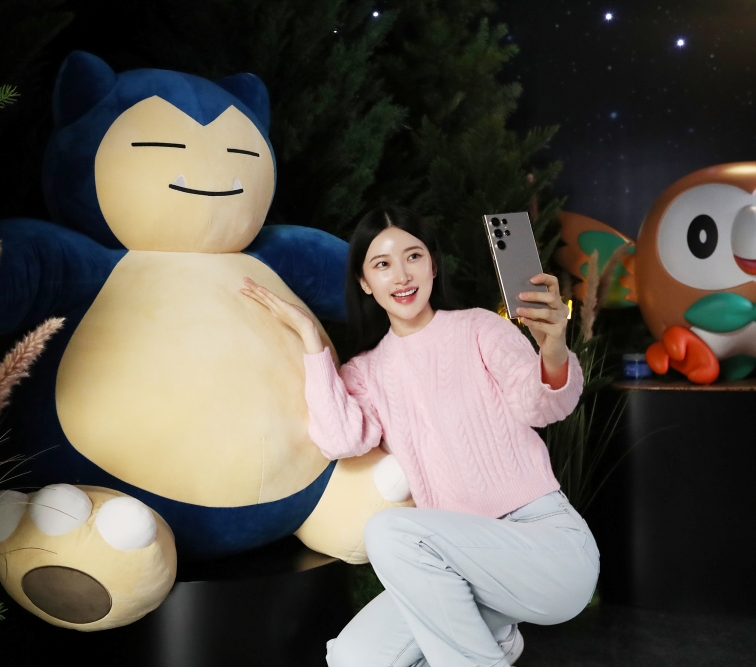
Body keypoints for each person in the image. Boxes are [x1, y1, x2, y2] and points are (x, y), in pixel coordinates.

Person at [240, 206, 599, 667]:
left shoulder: (479, 328)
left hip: (544, 544)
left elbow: (542, 406)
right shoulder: (366, 372)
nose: (402, 274)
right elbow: (339, 439)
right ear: (365, 282)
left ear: (432, 266)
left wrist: (553, 348)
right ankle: (493, 645)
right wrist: (311, 338)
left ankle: (486, 650)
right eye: (382, 264)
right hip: (452, 564)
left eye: (413, 256)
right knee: (352, 658)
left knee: (388, 531)